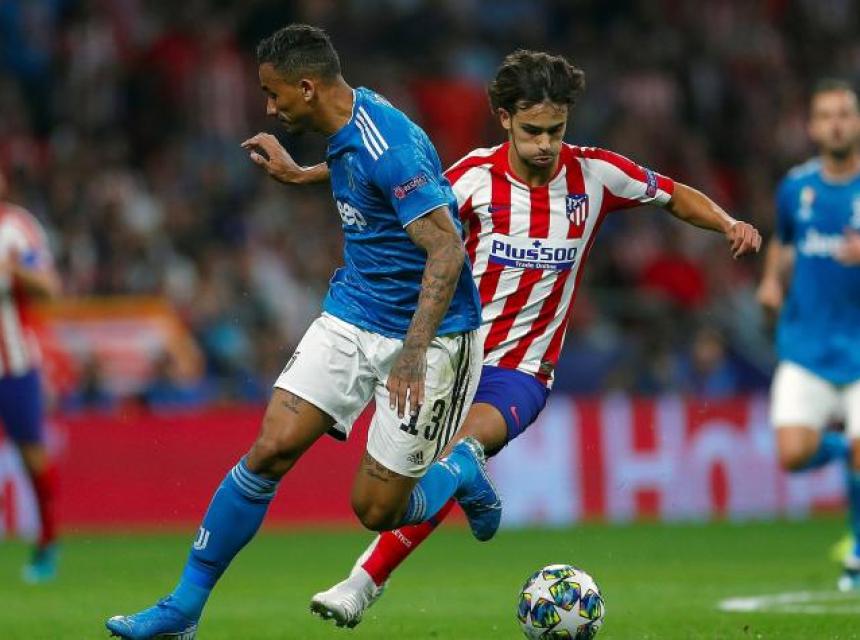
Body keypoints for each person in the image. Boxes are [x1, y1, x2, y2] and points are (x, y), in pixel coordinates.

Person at [270, 49, 761, 627]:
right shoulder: (474, 177)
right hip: (457, 359)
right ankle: (441, 511)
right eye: (532, 130)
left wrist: (728, 222)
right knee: (428, 476)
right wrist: (310, 175)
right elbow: (397, 185)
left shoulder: (597, 174)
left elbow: (673, 193)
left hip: (524, 372)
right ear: (504, 118)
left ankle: (360, 584)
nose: (546, 143)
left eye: (556, 129)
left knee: (457, 455)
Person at [106, 24, 496, 640]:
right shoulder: (351, 123)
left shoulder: (389, 141)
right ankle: (183, 609)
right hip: (353, 312)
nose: (269, 107)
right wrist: (300, 174)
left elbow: (446, 249)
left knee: (377, 510)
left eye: (273, 92)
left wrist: (413, 353)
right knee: (270, 449)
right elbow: (360, 171)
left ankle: (461, 470)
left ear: (308, 87)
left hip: (432, 337)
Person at [757, 79, 860, 592]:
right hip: (806, 345)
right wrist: (772, 281)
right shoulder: (795, 188)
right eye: (826, 116)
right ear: (813, 127)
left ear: (856, 123)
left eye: (844, 114)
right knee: (793, 453)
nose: (836, 124)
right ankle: (846, 451)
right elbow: (784, 241)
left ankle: (857, 554)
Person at [0, 170, 62, 583]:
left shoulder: (16, 229)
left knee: (31, 455)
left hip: (14, 364)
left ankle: (47, 543)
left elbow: (49, 287)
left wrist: (15, 270)